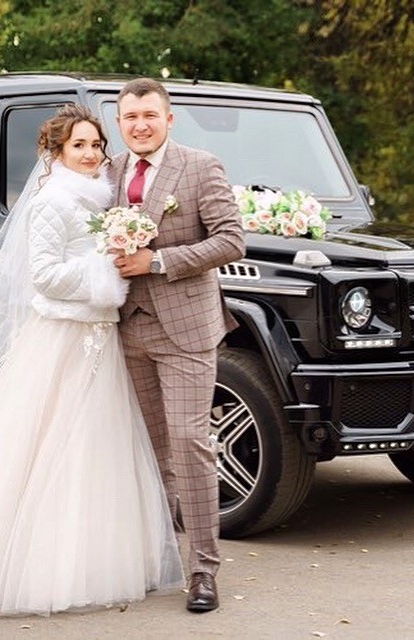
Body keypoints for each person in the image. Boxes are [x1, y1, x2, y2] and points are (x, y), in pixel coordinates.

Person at [0, 105, 184, 616]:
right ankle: (19, 564)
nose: (91, 154)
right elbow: (46, 275)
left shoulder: (102, 198)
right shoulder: (53, 200)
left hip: (99, 336)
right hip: (63, 337)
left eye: (96, 145)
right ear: (56, 153)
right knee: (44, 445)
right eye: (79, 145)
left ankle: (95, 559)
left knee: (96, 448)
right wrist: (107, 272)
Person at [109, 78, 246, 613]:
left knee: (190, 443)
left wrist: (158, 261)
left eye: (149, 115)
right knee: (151, 447)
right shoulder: (110, 171)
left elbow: (230, 240)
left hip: (186, 329)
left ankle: (204, 570)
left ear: (169, 118)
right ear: (119, 123)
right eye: (130, 117)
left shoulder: (200, 166)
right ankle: (163, 556)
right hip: (126, 326)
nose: (140, 125)